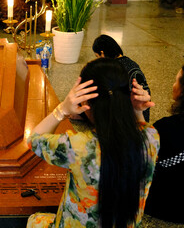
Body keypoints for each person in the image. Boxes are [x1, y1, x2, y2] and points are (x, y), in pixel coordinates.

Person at [27, 58, 159, 228]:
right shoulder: (151, 138)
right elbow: (141, 128)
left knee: (34, 220)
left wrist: (63, 109)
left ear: (87, 104)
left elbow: (34, 140)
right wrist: (136, 110)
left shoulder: (78, 146)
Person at [144, 65, 184, 224]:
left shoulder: (166, 128)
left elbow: (138, 154)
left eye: (176, 81)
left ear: (182, 91)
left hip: (161, 207)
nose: (173, 85)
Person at [92, 34, 151, 122]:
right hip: (143, 118)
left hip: (127, 121)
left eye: (97, 57)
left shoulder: (113, 68)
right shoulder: (131, 63)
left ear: (102, 53)